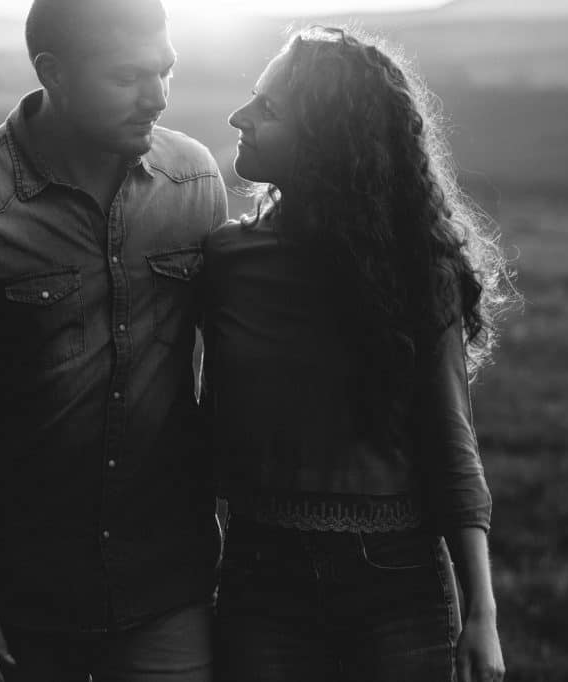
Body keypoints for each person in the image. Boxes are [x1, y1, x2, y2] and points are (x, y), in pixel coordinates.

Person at [0, 0, 228, 679]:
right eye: (128, 77)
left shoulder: (195, 182)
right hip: (18, 596)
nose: (157, 96)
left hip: (169, 587)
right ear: (53, 73)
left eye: (166, 71)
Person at [202, 27, 510, 682]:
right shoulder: (226, 262)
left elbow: (451, 446)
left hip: (396, 585)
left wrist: (481, 615)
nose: (239, 116)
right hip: (263, 579)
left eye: (268, 108)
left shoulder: (418, 268)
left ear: (325, 142)